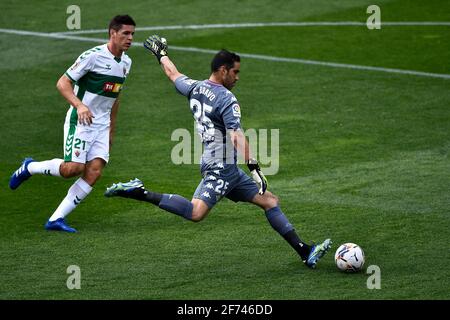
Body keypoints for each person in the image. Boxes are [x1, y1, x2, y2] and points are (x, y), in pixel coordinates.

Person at [105, 35, 331, 268]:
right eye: (235, 72)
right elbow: (235, 135)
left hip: (227, 168)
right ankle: (139, 192)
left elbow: (173, 74)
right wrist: (254, 167)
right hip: (220, 168)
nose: (237, 78)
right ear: (223, 71)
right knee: (195, 212)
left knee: (270, 201)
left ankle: (305, 251)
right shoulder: (226, 99)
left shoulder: (196, 87)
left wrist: (160, 54)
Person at [9, 15, 136, 233]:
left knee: (94, 171)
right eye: (126, 33)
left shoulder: (126, 62)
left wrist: (111, 130)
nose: (130, 38)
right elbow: (63, 82)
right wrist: (79, 106)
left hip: (102, 125)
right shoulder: (93, 56)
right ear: (112, 33)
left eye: (132, 34)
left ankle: (56, 219)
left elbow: (115, 97)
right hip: (82, 121)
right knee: (72, 169)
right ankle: (30, 167)